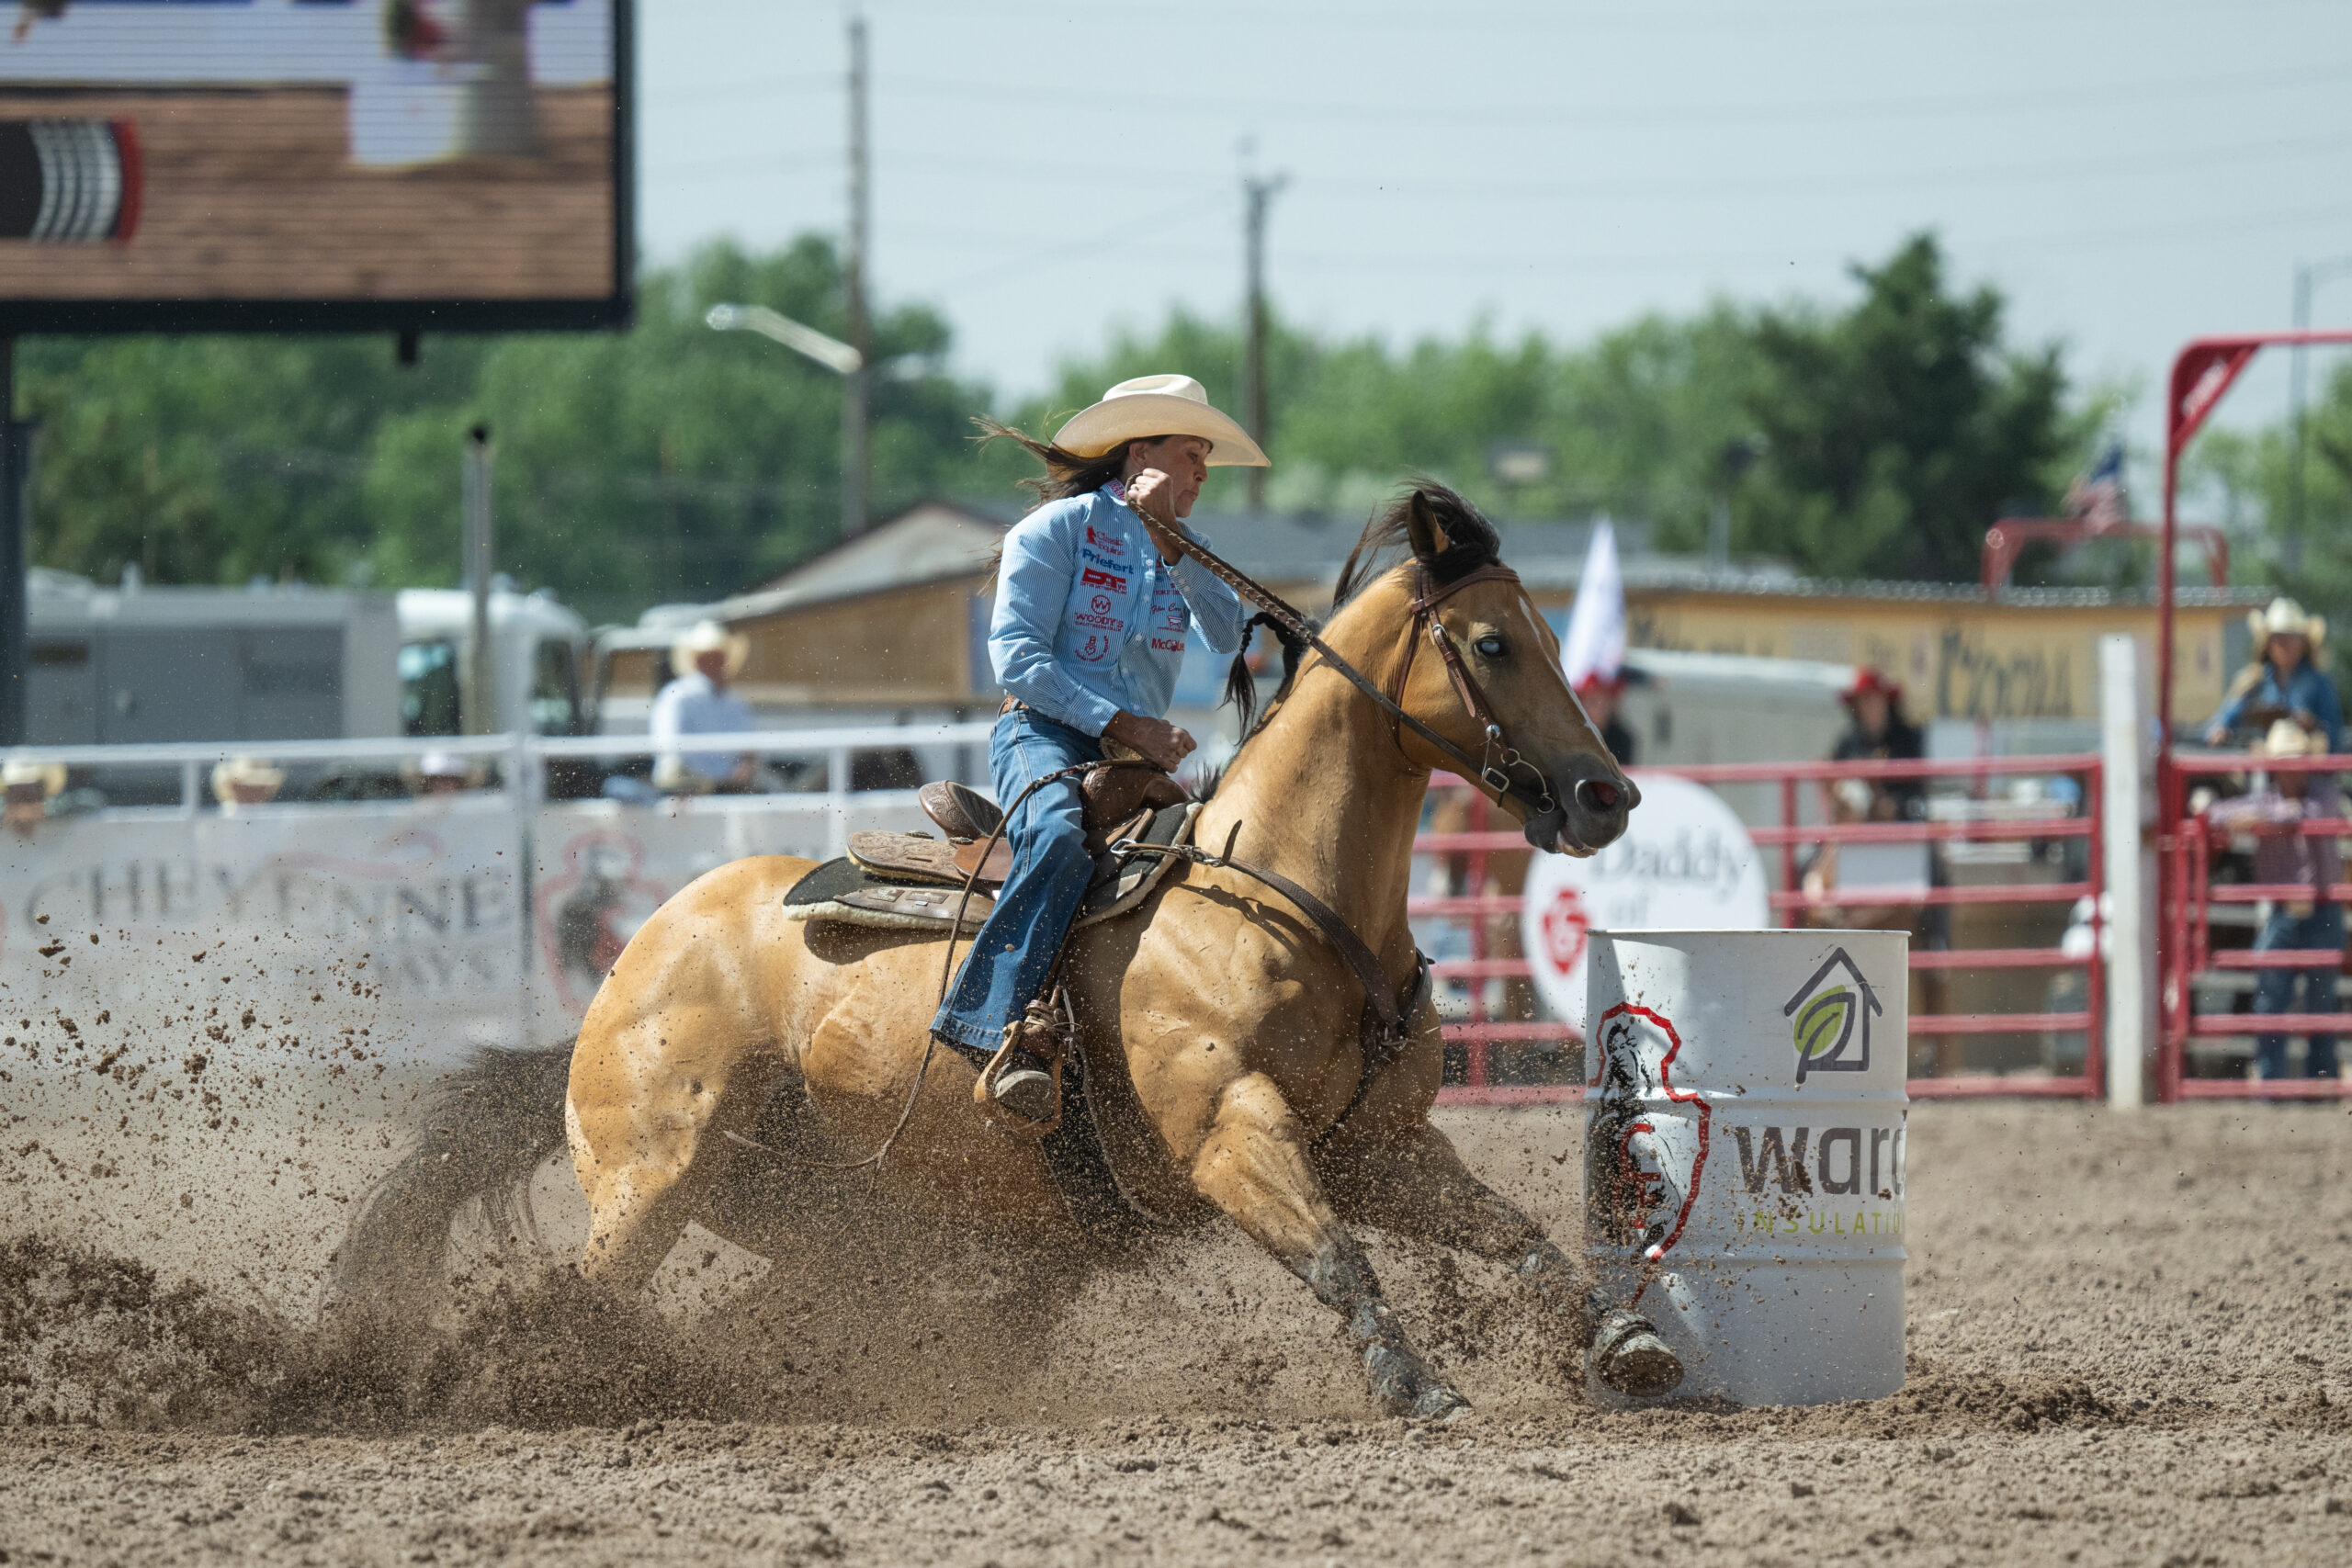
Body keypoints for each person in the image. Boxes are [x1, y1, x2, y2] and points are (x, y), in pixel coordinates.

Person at [932, 374, 1259, 1131]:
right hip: (1043, 731)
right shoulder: (1056, 531)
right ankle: (989, 1027)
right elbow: (1015, 660)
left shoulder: (1190, 552)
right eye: (1191, 453)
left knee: (1216, 858)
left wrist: (1170, 545)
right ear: (1140, 453)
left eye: (1206, 456)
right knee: (1052, 832)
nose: (1204, 472)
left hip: (1133, 750)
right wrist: (1129, 723)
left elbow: (1226, 632)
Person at [2206, 718, 2344, 1080]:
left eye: (2295, 759)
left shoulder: (2321, 792)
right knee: (2271, 1000)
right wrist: (2258, 816)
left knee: (2321, 1005)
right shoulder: (2271, 798)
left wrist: (2258, 818)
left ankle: (2319, 1084)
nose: (2291, 768)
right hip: (2287, 911)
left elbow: (2308, 814)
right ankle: (2273, 1086)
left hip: (2321, 907)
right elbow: (2218, 815)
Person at [2205, 597, 2342, 752]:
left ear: (2304, 643)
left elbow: (2335, 736)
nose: (2285, 645)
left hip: (2307, 770)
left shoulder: (2320, 684)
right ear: (2267, 643)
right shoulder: (2252, 682)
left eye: (2292, 638)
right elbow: (2221, 720)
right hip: (2262, 765)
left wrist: (2313, 726)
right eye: (2278, 638)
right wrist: (2219, 730)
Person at [650, 620, 757, 794]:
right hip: (686, 790)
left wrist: (745, 768)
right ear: (696, 660)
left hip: (729, 788)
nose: (715, 663)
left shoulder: (734, 701)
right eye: (708, 657)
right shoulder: (677, 696)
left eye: (718, 656)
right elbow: (669, 748)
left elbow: (749, 749)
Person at [1832, 667, 1926, 821]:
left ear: (1886, 701)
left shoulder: (1906, 737)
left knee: (1886, 809)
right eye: (1864, 699)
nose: (1870, 705)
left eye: (1875, 698)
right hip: (1856, 809)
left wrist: (1879, 773)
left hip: (1900, 807)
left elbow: (1914, 784)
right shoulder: (1848, 740)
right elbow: (1834, 777)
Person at [1574, 671, 1636, 767]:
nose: (1599, 707)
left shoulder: (1622, 739)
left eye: (1604, 701)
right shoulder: (1572, 735)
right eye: (1593, 701)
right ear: (1582, 703)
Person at [210, 756, 284, 812]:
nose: (251, 793)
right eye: (244, 786)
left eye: (258, 788)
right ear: (233, 787)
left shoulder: (275, 815)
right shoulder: (219, 815)